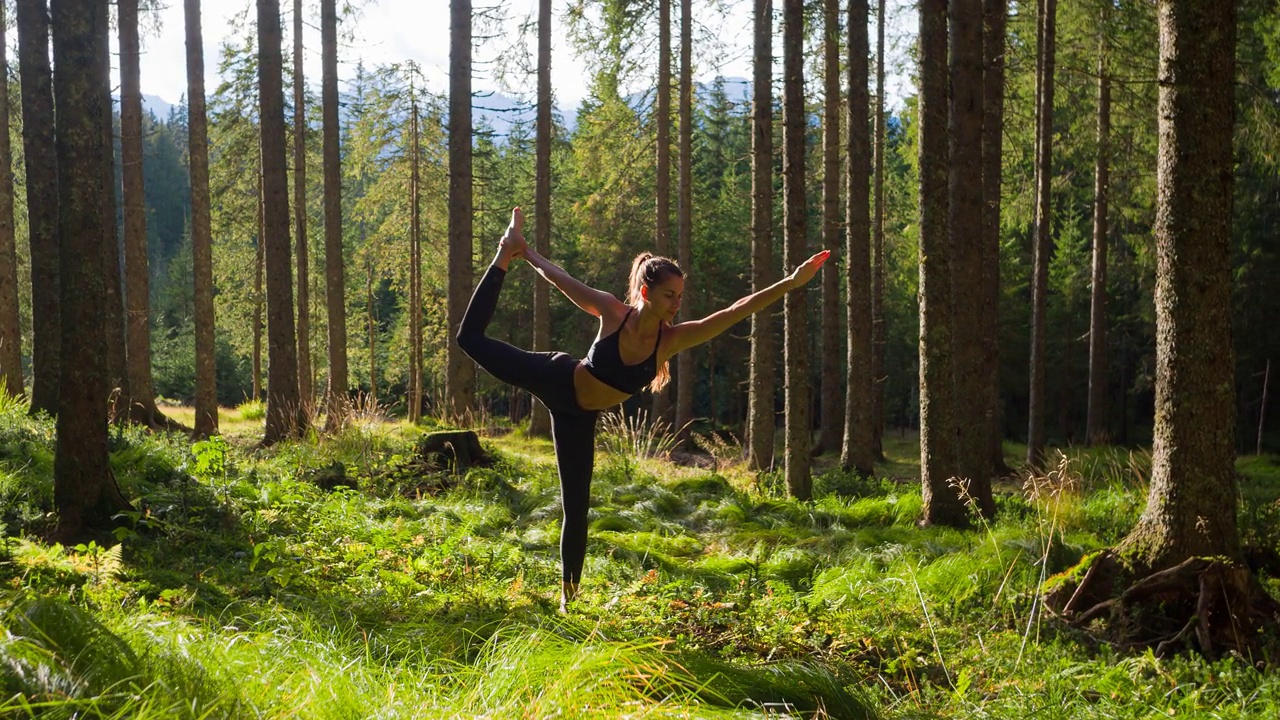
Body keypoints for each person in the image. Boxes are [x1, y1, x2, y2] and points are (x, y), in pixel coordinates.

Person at [456, 207, 830, 611]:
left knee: (576, 505)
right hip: (556, 377)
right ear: (647, 292)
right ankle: (501, 255)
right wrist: (522, 254)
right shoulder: (612, 312)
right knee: (470, 340)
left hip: (577, 418)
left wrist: (791, 282)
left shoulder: (669, 341)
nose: (676, 304)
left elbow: (733, 312)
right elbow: (559, 278)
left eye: (680, 297)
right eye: (670, 295)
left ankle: (568, 600)